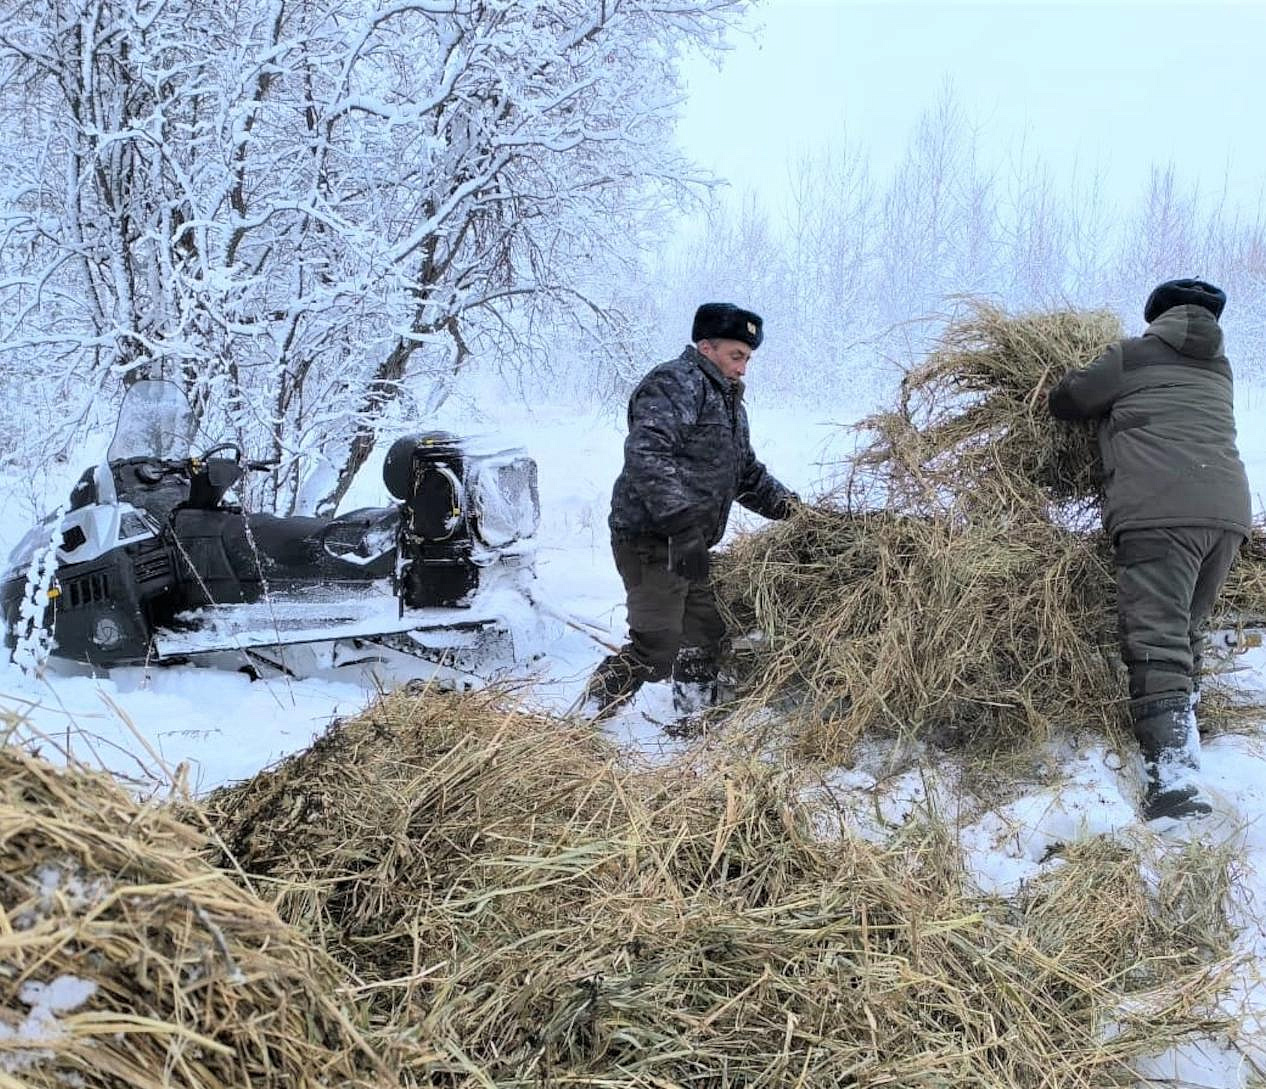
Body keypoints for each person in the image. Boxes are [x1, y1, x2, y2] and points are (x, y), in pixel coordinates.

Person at [1048, 278, 1251, 821]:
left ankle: (1174, 784)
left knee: (1156, 639)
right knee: (1184, 631)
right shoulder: (1219, 370)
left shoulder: (1132, 355)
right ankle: (1184, 739)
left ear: (1155, 318)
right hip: (1227, 515)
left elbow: (1067, 400)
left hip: (1160, 512)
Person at [578, 302, 798, 724]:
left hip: (690, 544)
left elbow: (745, 474)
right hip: (650, 540)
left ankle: (694, 720)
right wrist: (681, 525)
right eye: (737, 356)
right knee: (656, 648)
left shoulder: (728, 402)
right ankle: (581, 721)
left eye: (748, 359)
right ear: (706, 346)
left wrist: (797, 514)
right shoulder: (675, 383)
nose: (744, 368)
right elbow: (647, 453)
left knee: (703, 634)